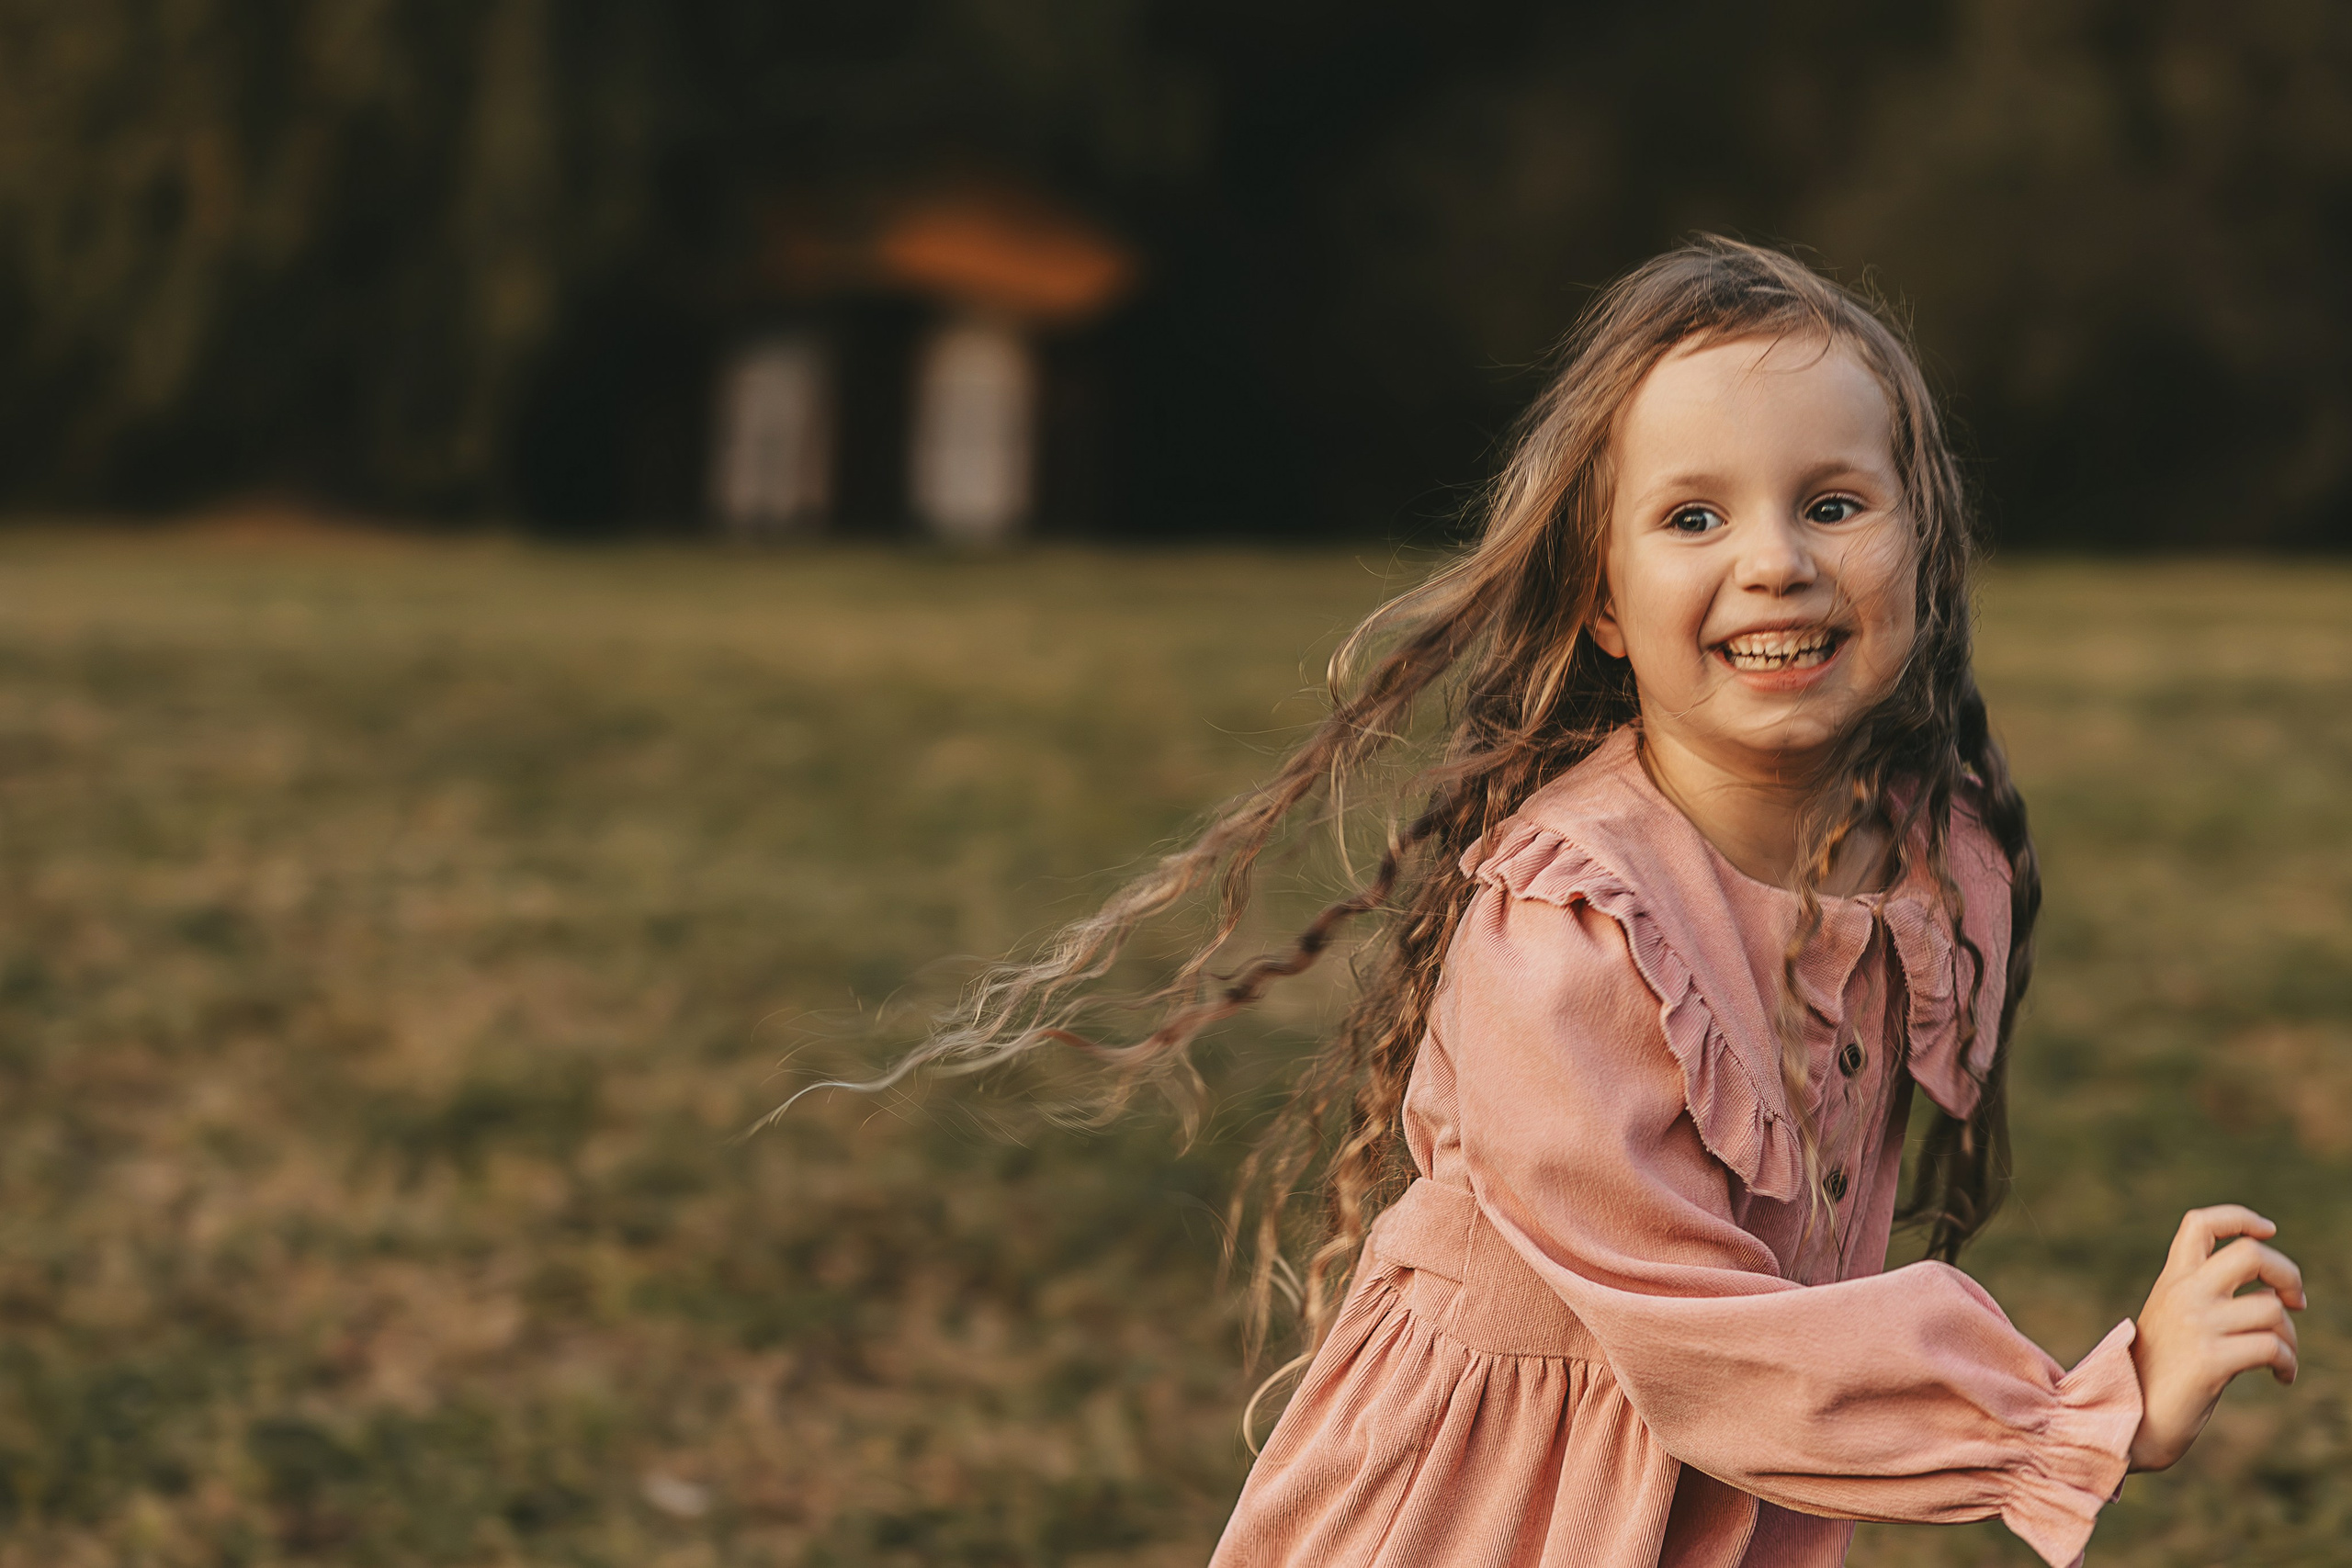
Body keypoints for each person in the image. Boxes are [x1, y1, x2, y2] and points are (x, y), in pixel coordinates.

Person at [848, 239, 2304, 1566]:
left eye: (1836, 503)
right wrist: (2084, 1416)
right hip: (1486, 1510)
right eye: (1692, 516)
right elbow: (1704, 1341)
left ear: (1923, 548)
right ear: (1603, 601)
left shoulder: (1927, 857)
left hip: (1711, 1496)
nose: (1775, 559)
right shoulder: (1572, 936)